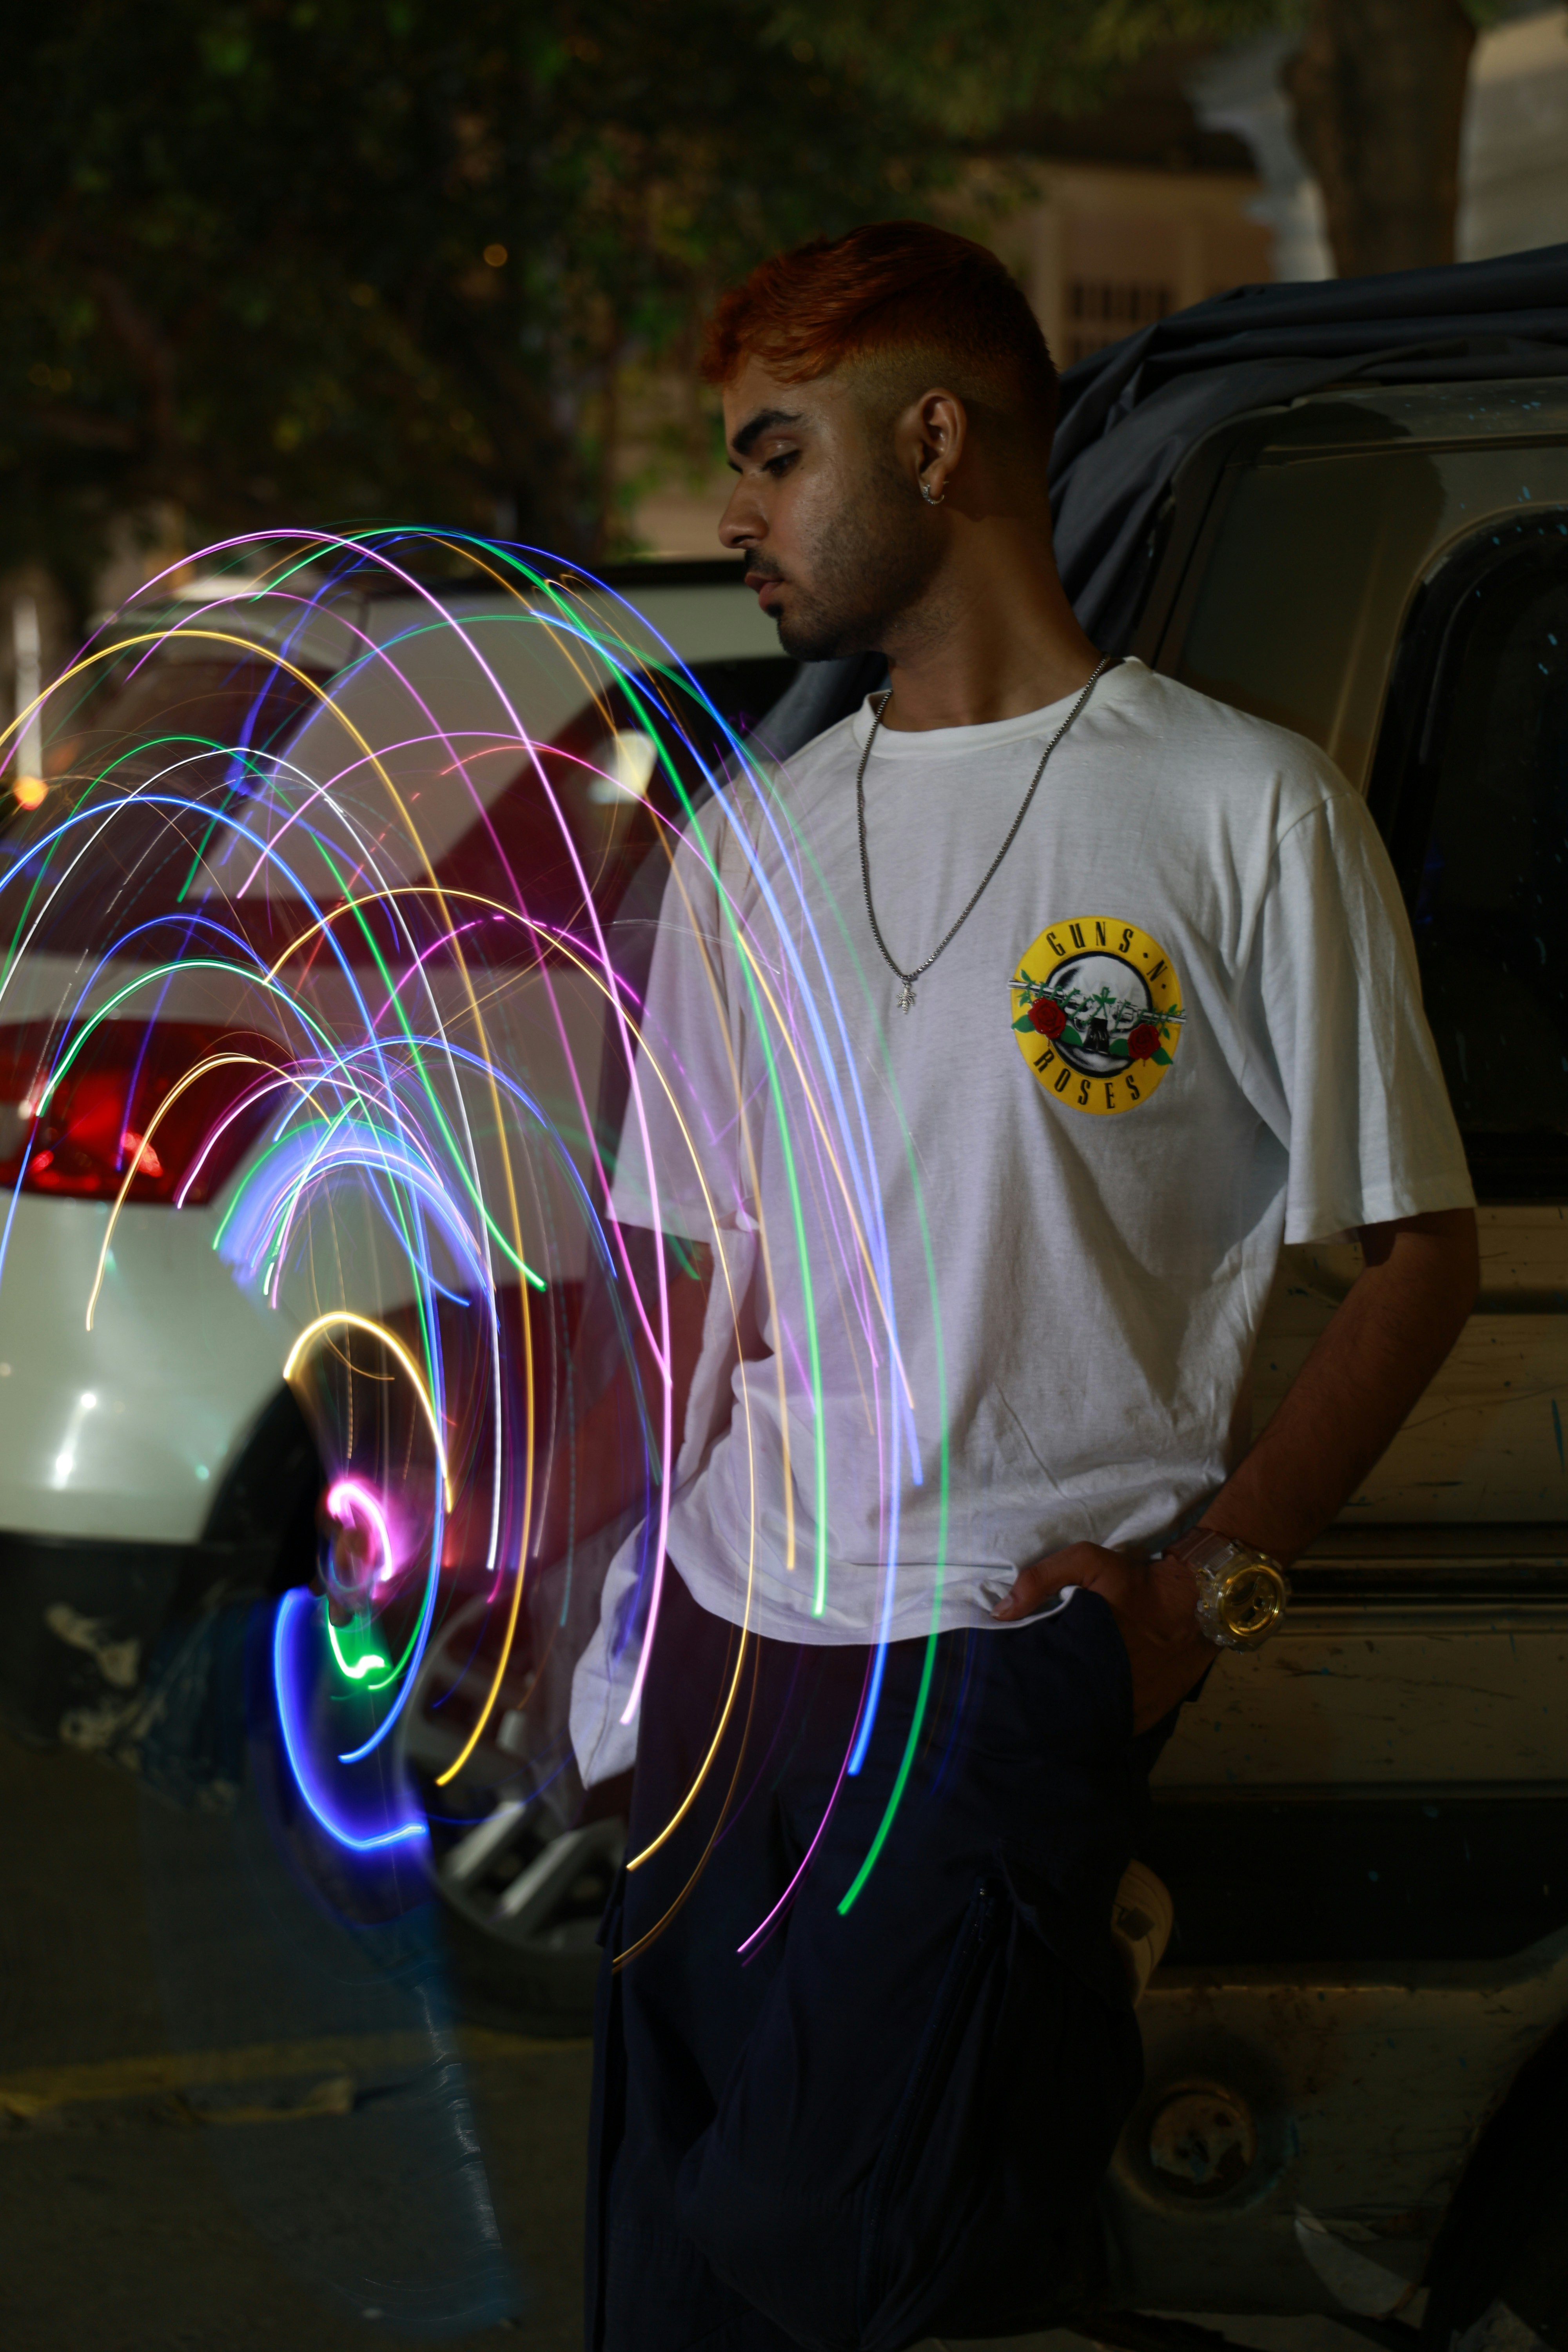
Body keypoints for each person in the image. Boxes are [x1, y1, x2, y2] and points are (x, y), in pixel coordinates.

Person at [558, 221, 1478, 2352]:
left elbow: (1418, 1257)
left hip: (991, 1666)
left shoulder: (1238, 810)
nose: (735, 514)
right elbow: (705, 1274)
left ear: (941, 439)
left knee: (877, 2260)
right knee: (675, 2277)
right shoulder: (751, 842)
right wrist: (596, 1586)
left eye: (779, 454)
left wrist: (1210, 1590)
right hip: (727, 1659)